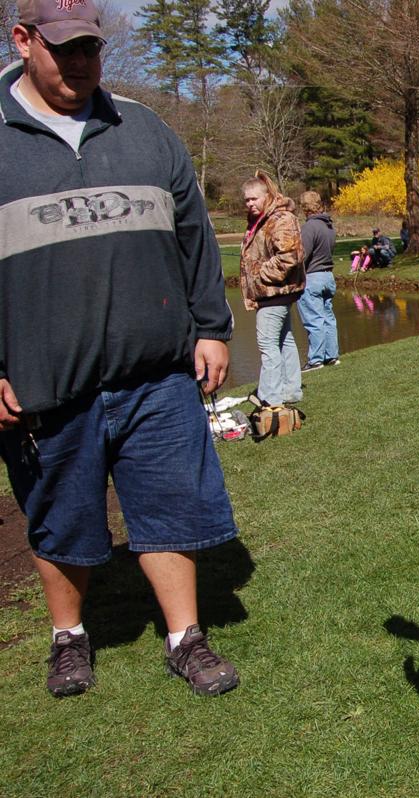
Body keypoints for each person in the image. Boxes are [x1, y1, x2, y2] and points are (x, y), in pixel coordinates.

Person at [0, 0, 239, 697]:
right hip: (46, 382)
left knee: (170, 507)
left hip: (156, 374)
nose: (80, 63)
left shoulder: (146, 129)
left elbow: (194, 235)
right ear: (23, 40)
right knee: (59, 516)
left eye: (90, 48)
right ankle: (69, 638)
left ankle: (185, 638)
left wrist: (211, 327)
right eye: (64, 49)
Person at [240, 171, 305, 406]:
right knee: (284, 340)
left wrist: (261, 274)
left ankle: (270, 397)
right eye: (246, 200)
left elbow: (290, 256)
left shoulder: (281, 218)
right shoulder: (261, 219)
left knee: (267, 344)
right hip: (271, 294)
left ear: (267, 196)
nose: (250, 204)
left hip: (274, 293)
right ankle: (290, 390)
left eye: (254, 199)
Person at [297, 190, 340, 371]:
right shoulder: (328, 226)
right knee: (328, 317)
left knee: (314, 319)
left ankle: (315, 360)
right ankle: (331, 356)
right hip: (328, 276)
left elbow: (303, 255)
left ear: (304, 207)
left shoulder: (309, 227)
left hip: (312, 277)